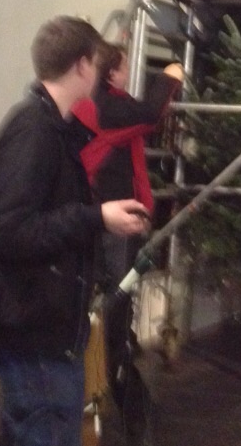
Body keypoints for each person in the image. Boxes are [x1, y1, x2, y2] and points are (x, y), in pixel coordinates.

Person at [0, 16, 149, 446]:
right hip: (35, 336)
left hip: (34, 329)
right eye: (98, 63)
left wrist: (96, 222)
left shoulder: (51, 129)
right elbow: (9, 231)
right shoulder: (35, 131)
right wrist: (96, 217)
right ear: (83, 65)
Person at [73, 42, 183, 415]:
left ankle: (113, 374)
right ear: (111, 72)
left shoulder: (103, 104)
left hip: (103, 212)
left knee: (114, 293)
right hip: (111, 216)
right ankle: (114, 380)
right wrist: (170, 76)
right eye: (123, 66)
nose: (128, 71)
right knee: (117, 295)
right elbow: (150, 114)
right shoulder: (105, 107)